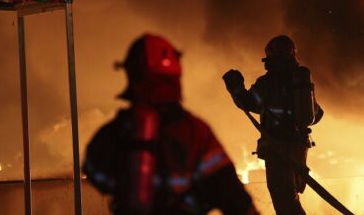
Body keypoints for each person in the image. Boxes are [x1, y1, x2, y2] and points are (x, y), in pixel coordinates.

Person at [83, 34, 257, 215]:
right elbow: (234, 198)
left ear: (131, 76)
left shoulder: (116, 130)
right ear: (175, 74)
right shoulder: (195, 132)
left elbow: (94, 173)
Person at [223, 35, 323, 215]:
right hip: (299, 149)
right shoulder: (301, 81)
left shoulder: (267, 83)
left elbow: (248, 103)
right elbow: (316, 115)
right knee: (290, 199)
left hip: (278, 150)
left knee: (284, 202)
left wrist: (235, 87)